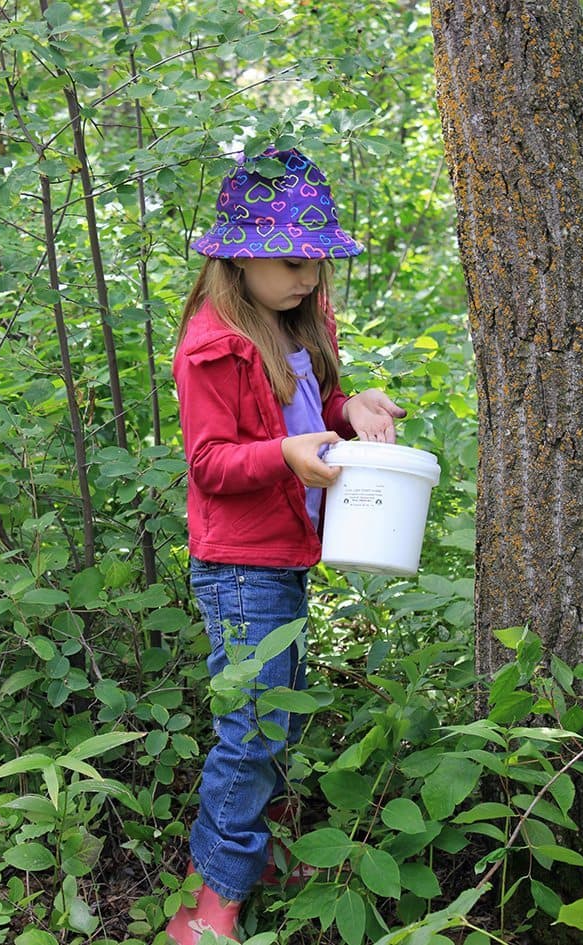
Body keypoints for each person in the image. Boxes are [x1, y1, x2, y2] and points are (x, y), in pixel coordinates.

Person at [166, 147, 405, 945]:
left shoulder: (300, 321)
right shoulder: (214, 344)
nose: (309, 274)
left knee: (277, 719)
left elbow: (321, 403)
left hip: (284, 554)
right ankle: (211, 898)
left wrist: (354, 408)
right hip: (240, 565)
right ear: (240, 253)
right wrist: (285, 455)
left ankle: (254, 853)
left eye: (318, 261)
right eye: (294, 258)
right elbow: (208, 463)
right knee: (253, 724)